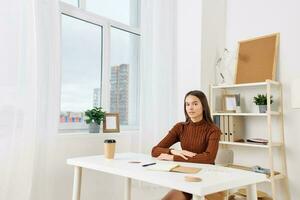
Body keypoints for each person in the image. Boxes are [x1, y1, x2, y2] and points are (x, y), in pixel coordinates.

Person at [151, 90, 222, 200]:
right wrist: (173, 151)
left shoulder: (213, 130)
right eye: (187, 104)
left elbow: (209, 158)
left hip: (206, 176)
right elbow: (155, 150)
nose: (190, 108)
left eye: (195, 103)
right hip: (186, 174)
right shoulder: (180, 127)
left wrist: (173, 157)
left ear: (203, 106)